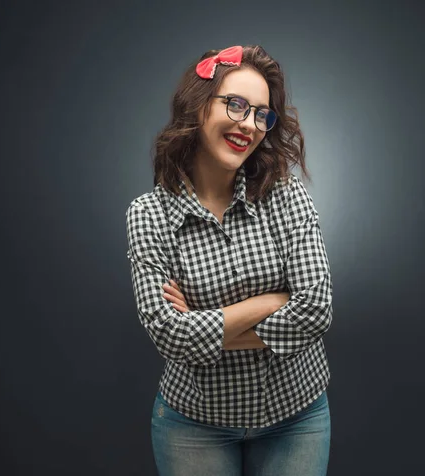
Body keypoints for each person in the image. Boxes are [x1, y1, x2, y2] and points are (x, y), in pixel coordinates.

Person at [125, 45, 334, 476]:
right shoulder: (147, 214)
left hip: (298, 417)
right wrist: (274, 302)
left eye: (261, 114)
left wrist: (204, 323)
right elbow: (170, 337)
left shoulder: (285, 193)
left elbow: (316, 309)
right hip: (192, 426)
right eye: (236, 105)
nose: (249, 125)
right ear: (199, 105)